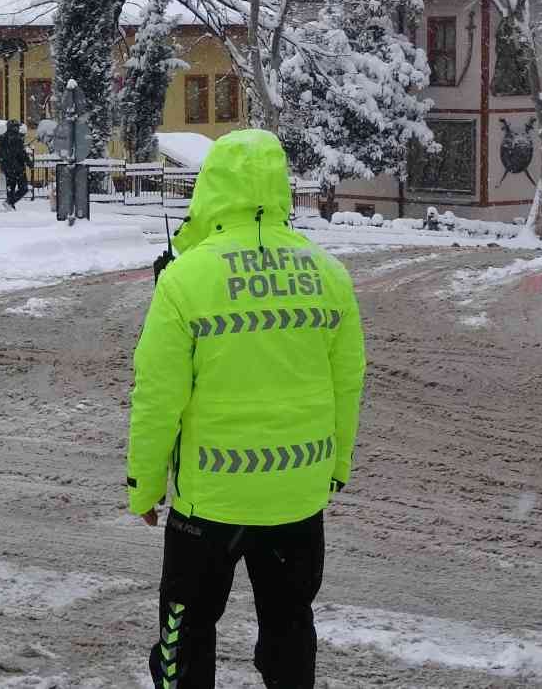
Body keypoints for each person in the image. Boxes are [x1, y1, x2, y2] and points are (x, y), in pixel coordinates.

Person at [128, 129, 365, 689]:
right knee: (288, 630)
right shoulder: (330, 275)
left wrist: (143, 485)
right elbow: (347, 383)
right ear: (281, 188)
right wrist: (336, 466)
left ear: (211, 189)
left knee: (184, 636)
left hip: (208, 504)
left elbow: (158, 394)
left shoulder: (186, 280)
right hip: (297, 497)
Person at [0, 120, 34, 209]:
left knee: (11, 188)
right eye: (17, 127)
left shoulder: (2, 138)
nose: (18, 128)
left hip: (7, 168)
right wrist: (29, 163)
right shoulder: (17, 138)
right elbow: (22, 153)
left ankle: (10, 205)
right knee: (24, 188)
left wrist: (2, 166)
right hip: (18, 168)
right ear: (14, 127)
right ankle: (10, 202)